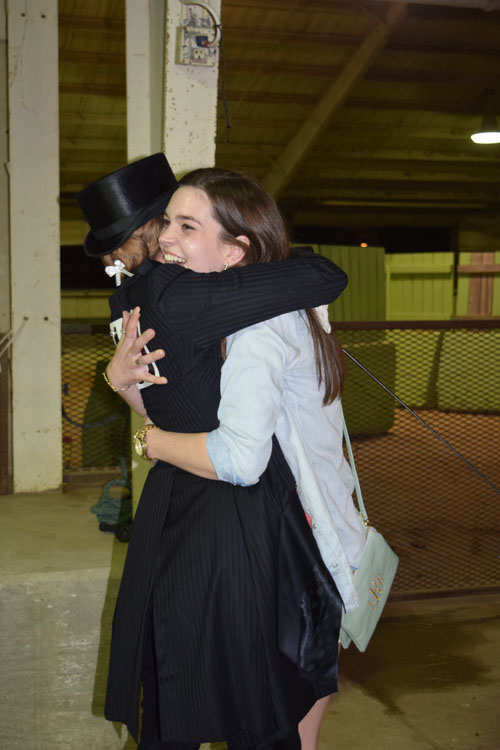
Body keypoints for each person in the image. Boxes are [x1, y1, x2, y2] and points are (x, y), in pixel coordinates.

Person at [87, 166, 350, 749]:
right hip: (233, 514)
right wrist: (146, 434)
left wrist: (128, 400)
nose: (163, 243)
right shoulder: (185, 296)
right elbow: (325, 274)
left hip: (191, 499)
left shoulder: (143, 300)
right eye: (164, 225)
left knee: (189, 686)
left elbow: (167, 414)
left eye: (183, 224)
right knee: (263, 698)